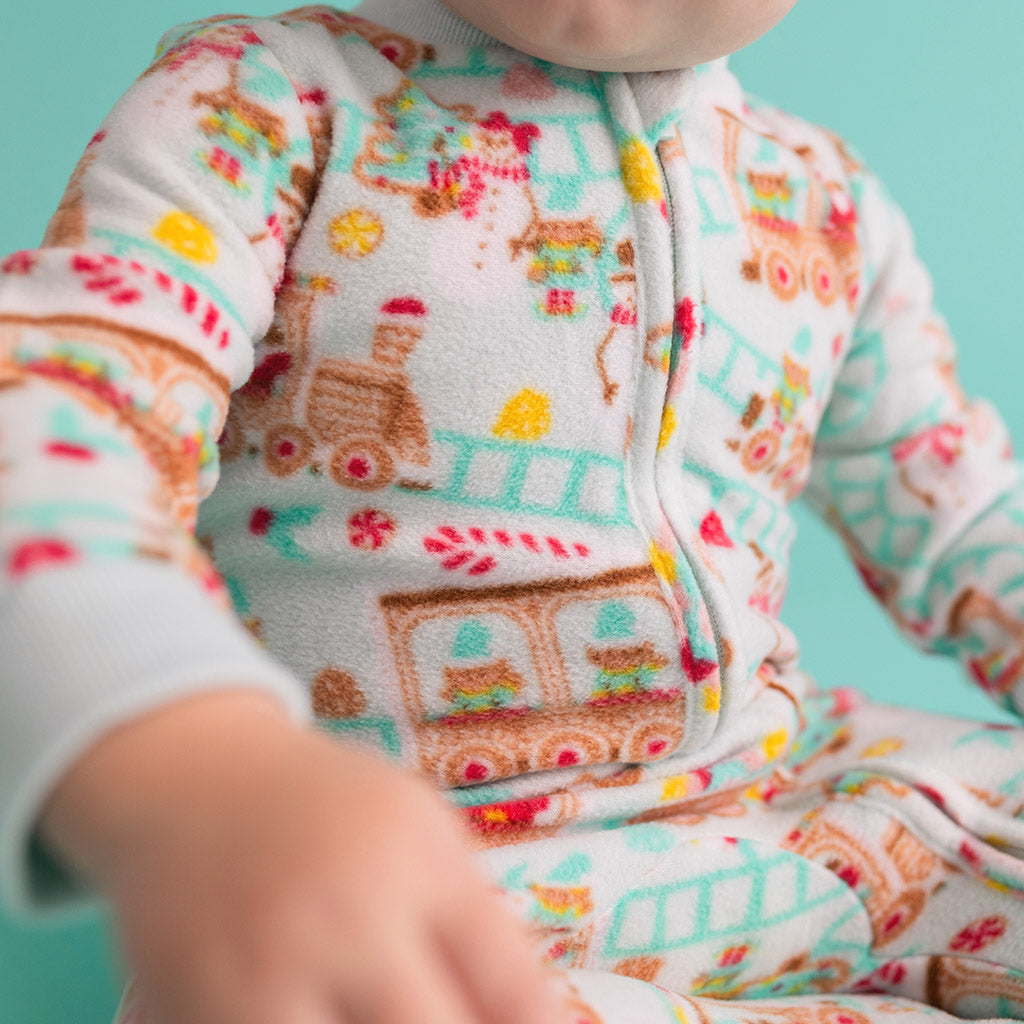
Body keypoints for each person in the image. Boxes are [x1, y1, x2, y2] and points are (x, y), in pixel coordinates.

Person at [2, 1, 1024, 1022]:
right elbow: (62, 424)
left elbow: (963, 514)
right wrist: (196, 771)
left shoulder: (820, 200)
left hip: (795, 810)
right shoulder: (260, 109)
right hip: (425, 881)